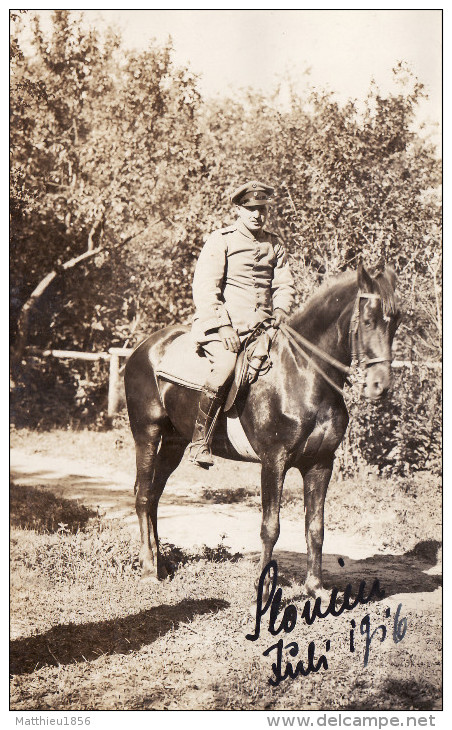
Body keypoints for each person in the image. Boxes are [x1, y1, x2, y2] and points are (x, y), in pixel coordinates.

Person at [188, 180, 295, 468]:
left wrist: (282, 309)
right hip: (224, 327)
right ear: (238, 209)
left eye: (262, 209)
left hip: (264, 328)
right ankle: (200, 441)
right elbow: (205, 287)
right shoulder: (221, 240)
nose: (257, 215)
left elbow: (284, 284)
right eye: (250, 209)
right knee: (225, 366)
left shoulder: (275, 244)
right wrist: (222, 326)